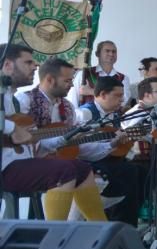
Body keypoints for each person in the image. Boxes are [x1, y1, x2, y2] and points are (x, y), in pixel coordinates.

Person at [1, 45, 107, 221]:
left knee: (81, 168)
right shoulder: (19, 99)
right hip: (5, 168)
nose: (35, 67)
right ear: (7, 65)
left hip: (21, 162)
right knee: (63, 171)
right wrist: (12, 129)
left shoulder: (10, 99)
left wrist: (69, 137)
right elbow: (15, 132)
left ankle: (101, 229)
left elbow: (35, 140)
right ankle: (53, 235)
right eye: (28, 62)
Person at [75, 76, 147, 226]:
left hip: (107, 159)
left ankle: (126, 225)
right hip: (87, 162)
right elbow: (81, 148)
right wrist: (112, 144)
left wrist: (126, 140)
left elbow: (115, 143)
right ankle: (116, 222)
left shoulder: (114, 115)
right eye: (117, 96)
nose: (121, 100)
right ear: (102, 94)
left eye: (122, 96)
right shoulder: (85, 114)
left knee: (140, 172)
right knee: (129, 171)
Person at [69, 40, 130, 108]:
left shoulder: (123, 78)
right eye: (107, 51)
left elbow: (123, 101)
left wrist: (91, 91)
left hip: (114, 118)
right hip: (87, 117)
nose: (111, 54)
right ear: (97, 54)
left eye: (114, 51)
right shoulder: (84, 74)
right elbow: (72, 101)